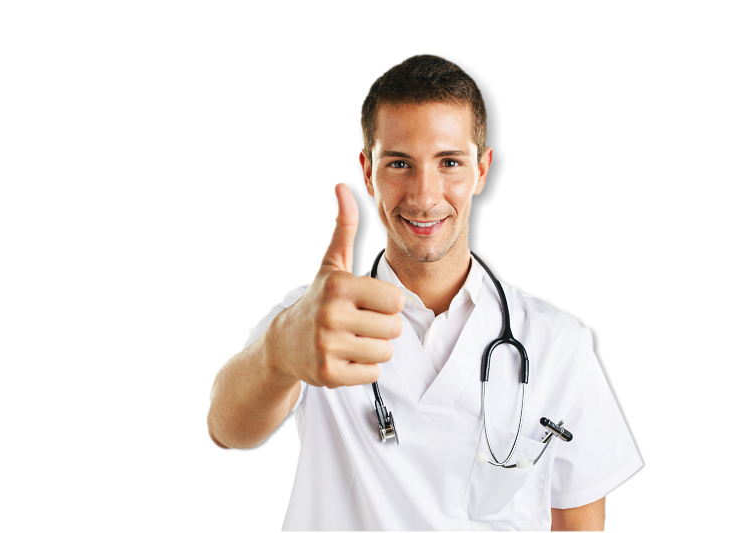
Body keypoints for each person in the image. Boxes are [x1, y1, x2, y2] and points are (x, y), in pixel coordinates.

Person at [207, 55, 642, 530]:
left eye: (449, 162)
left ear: (482, 169)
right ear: (368, 171)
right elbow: (227, 430)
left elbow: (579, 522)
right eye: (399, 163)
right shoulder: (314, 321)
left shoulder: (558, 345)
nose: (424, 195)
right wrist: (277, 355)